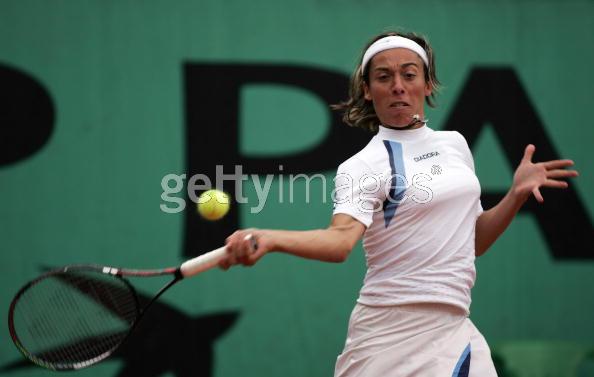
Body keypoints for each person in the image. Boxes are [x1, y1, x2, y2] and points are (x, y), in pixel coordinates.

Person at [220, 31, 579, 376]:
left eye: (409, 74)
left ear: (427, 84)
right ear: (367, 89)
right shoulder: (362, 166)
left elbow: (473, 242)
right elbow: (340, 241)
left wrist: (514, 197)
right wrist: (268, 238)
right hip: (388, 333)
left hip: (454, 326)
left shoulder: (454, 145)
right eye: (383, 76)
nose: (398, 86)